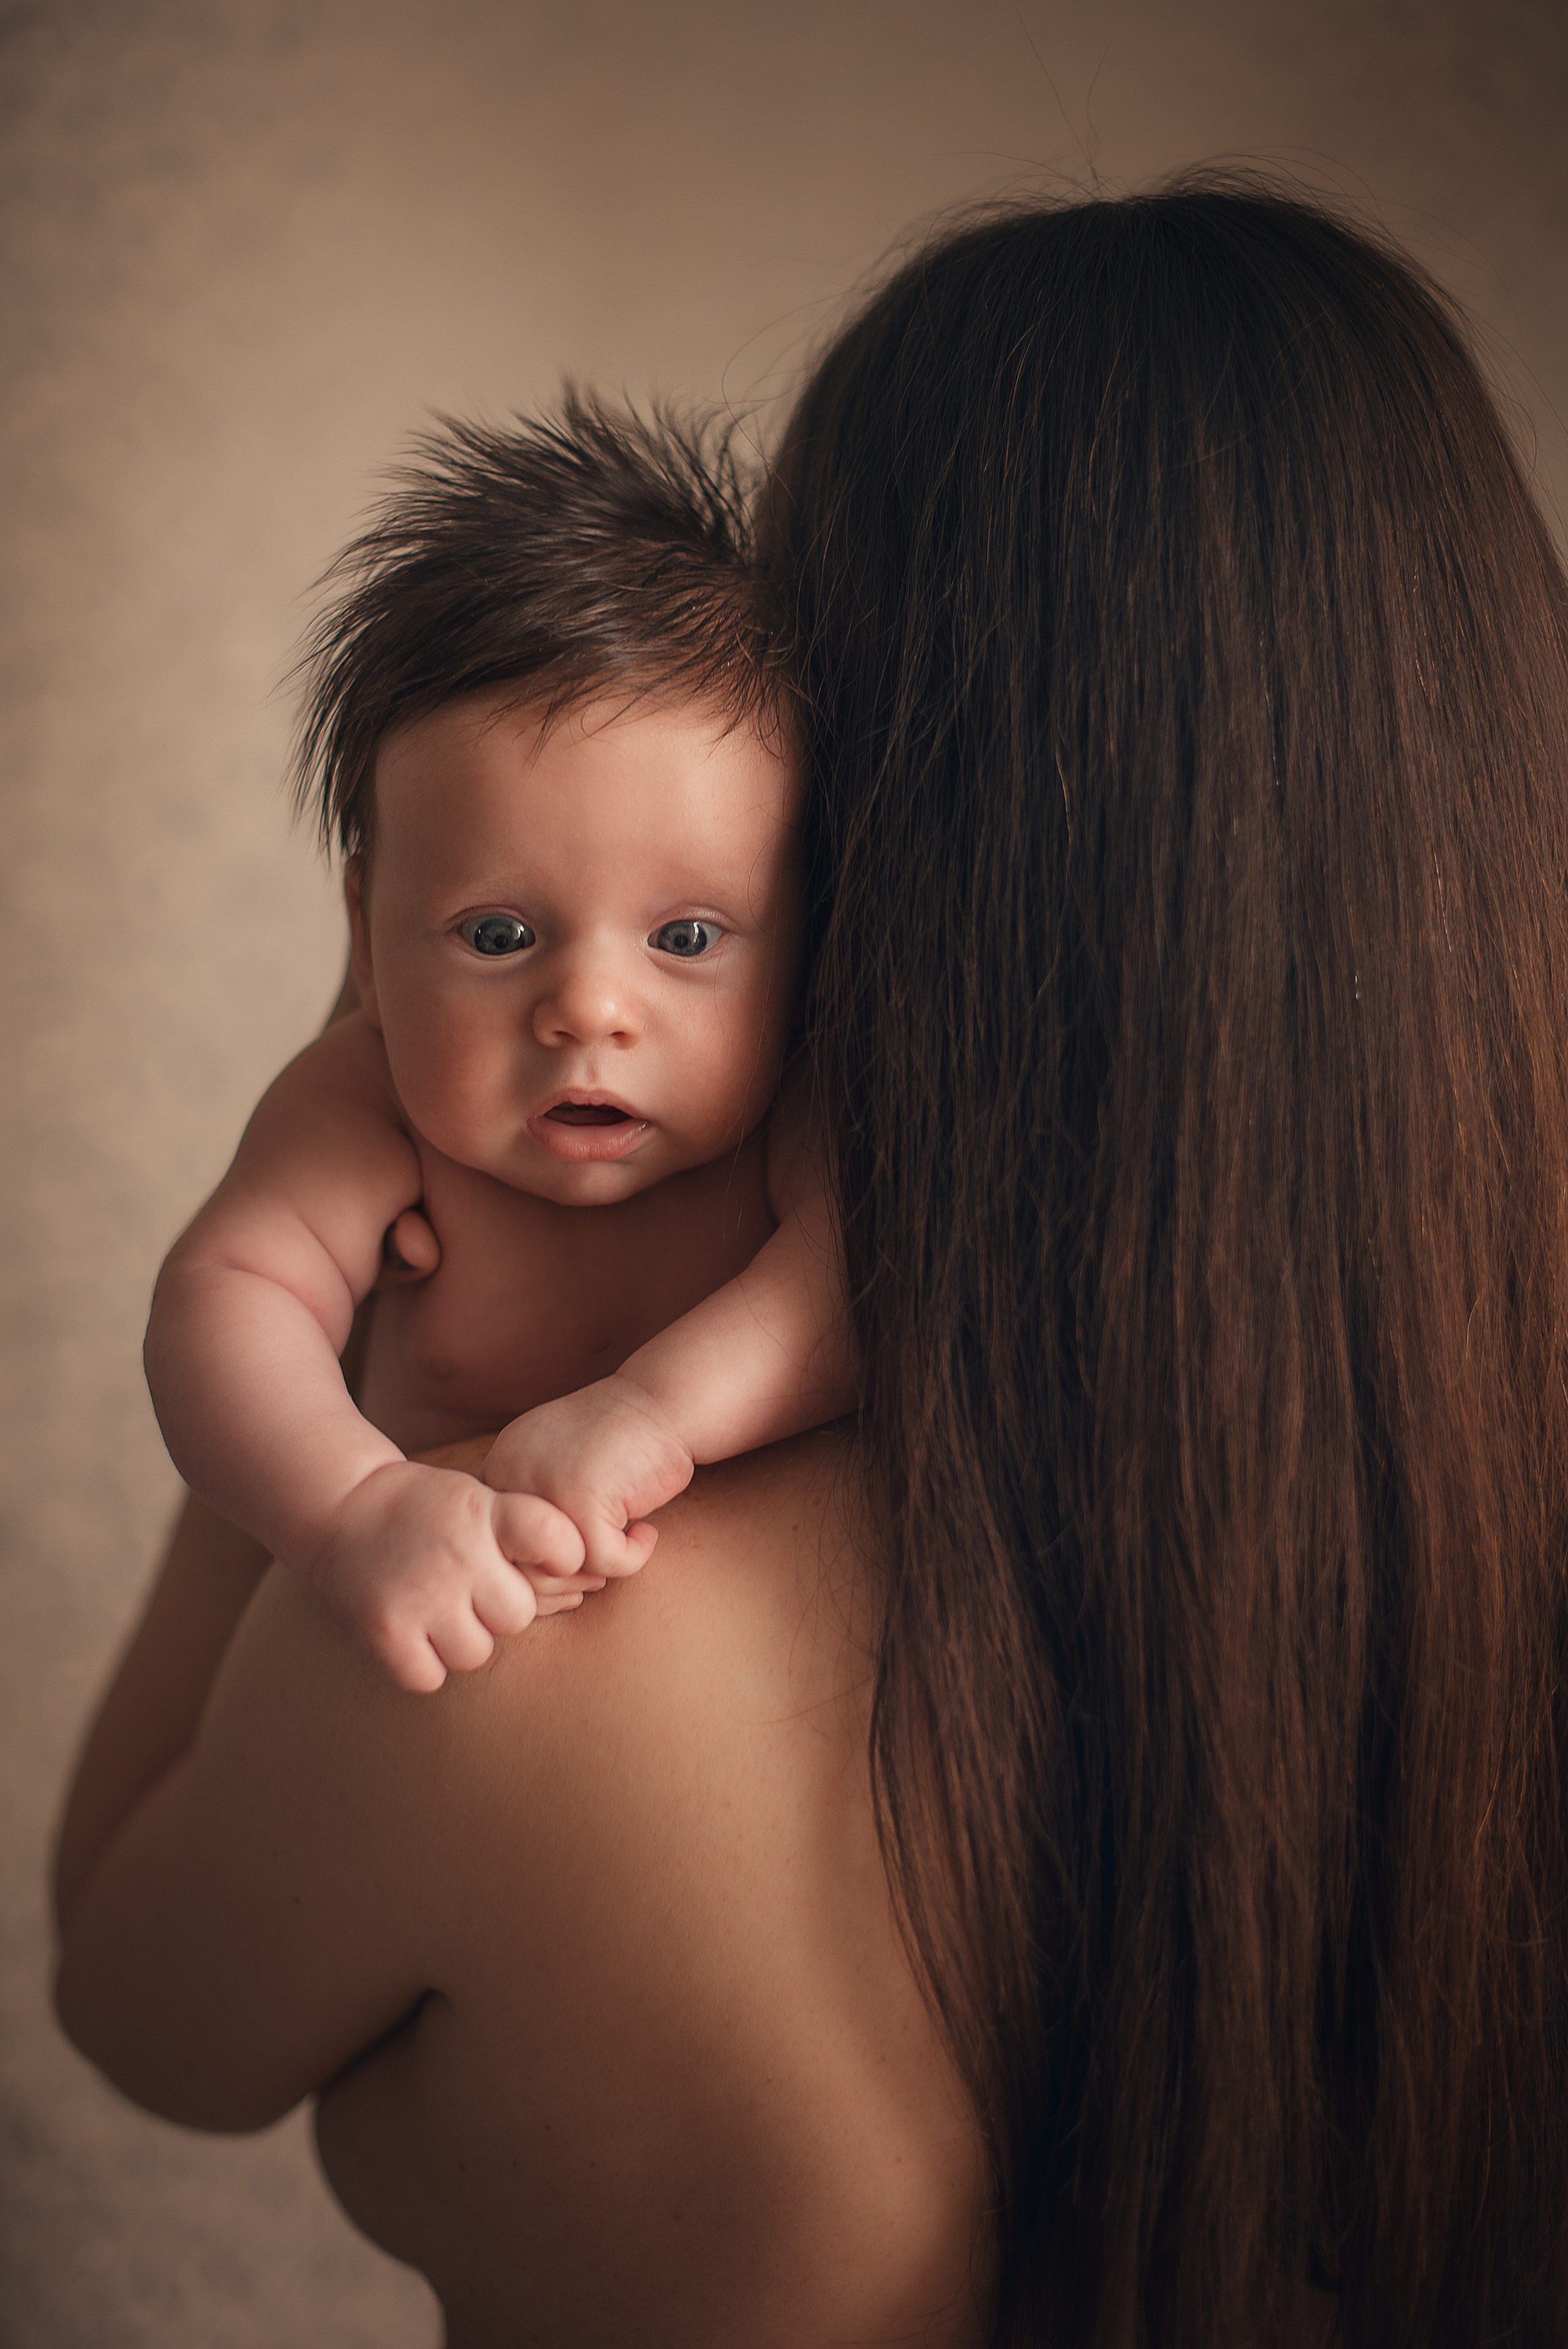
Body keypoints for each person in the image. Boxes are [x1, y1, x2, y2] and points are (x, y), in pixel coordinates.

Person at [55, 175, 1568, 2347]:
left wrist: (365, 1243)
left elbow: (137, 2000)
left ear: (865, 834)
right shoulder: (1466, 1602)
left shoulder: (528, 1625)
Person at [143, 401, 854, 1690]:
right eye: (499, 932)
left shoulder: (795, 1107)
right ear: (365, 937)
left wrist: (651, 1415)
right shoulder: (366, 1103)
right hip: (423, 1626)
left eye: (686, 939)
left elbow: (858, 1281)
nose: (588, 1010)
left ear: (807, 946)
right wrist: (352, 1508)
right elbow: (223, 1303)